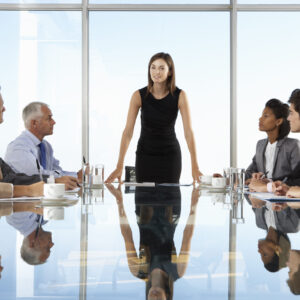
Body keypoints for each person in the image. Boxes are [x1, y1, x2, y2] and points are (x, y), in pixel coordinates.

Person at [106, 52, 202, 184]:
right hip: (145, 157)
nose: (156, 72)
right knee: (144, 201)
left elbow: (188, 133)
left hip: (170, 157)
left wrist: (195, 167)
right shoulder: (138, 96)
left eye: (162, 68)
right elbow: (127, 133)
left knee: (170, 200)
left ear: (169, 72)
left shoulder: (180, 96)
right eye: (153, 67)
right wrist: (119, 166)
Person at [106, 184, 199, 300]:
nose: (154, 297)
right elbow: (187, 237)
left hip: (144, 202)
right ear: (167, 296)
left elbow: (127, 236)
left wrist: (119, 202)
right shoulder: (178, 271)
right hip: (170, 203)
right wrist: (194, 204)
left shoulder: (137, 270)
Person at [5, 101, 80, 190]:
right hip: (26, 201)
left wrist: (77, 176)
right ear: (34, 123)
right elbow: (37, 175)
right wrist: (72, 176)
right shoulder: (18, 148)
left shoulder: (46, 146)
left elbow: (56, 171)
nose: (53, 122)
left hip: (45, 197)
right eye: (49, 118)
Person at [0, 86, 45, 196]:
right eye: (48, 118)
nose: (4, 108)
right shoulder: (19, 146)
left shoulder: (46, 147)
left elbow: (12, 178)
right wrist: (28, 190)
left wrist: (54, 180)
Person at [245, 99, 300, 184]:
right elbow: (249, 173)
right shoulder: (260, 144)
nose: (260, 118)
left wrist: (268, 183)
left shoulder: (292, 145)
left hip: (283, 194)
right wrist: (226, 179)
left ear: (278, 121)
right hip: (262, 194)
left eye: (265, 116)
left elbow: (296, 178)